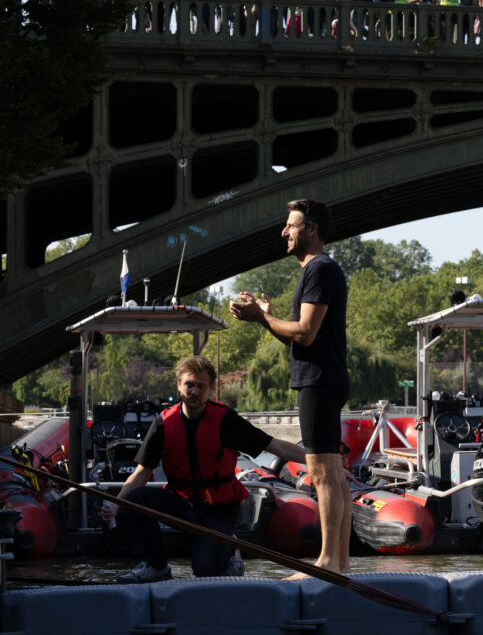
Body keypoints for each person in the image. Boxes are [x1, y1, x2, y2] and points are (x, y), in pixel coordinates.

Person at [103, 356, 307, 583]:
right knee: (138, 497)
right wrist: (116, 504)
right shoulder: (163, 423)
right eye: (189, 385)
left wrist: (322, 462)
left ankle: (230, 553)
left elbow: (275, 446)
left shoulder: (226, 419)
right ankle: (157, 567)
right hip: (183, 502)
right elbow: (141, 472)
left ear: (210, 388)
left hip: (219, 508)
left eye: (201, 386)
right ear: (179, 385)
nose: (194, 391)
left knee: (206, 573)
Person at [231, 199, 353, 577]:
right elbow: (306, 339)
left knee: (322, 472)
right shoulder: (318, 270)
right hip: (324, 377)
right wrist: (266, 320)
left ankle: (328, 561)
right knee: (331, 471)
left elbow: (304, 331)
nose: (284, 232)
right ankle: (342, 562)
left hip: (319, 381)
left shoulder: (319, 269)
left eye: (291, 225)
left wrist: (263, 317)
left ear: (311, 229)